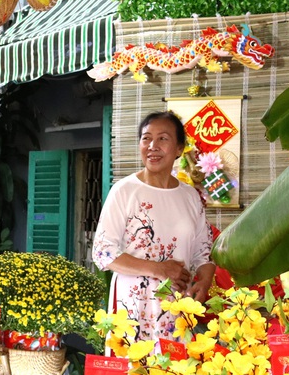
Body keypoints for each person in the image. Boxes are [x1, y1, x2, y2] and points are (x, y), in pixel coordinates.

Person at [91, 110, 215, 342]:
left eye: (163, 138)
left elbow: (204, 252)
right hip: (134, 304)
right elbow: (103, 253)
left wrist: (204, 282)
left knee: (176, 373)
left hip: (177, 306)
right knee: (137, 371)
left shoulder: (190, 196)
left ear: (179, 149)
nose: (152, 146)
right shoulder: (125, 190)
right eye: (146, 138)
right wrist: (159, 269)